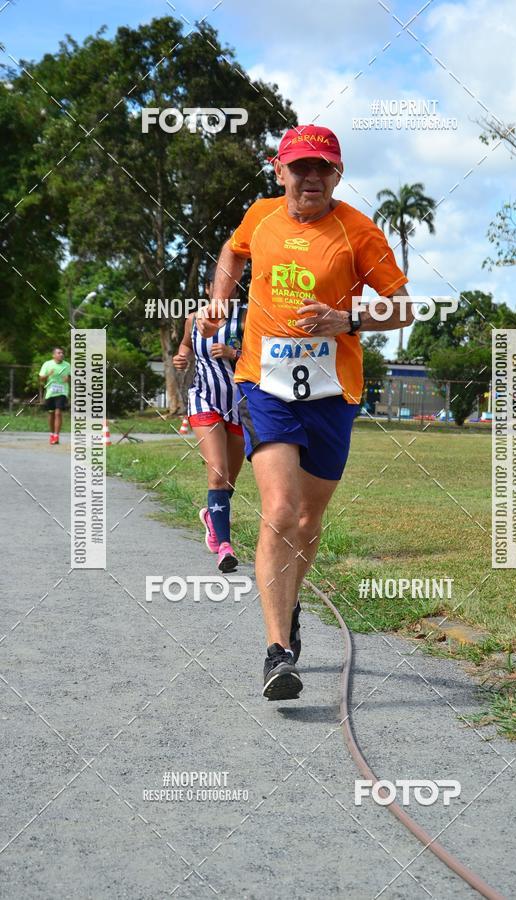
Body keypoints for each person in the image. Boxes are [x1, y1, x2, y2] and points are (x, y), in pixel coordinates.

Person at [197, 125, 414, 700]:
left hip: (331, 391)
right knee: (279, 510)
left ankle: (288, 608)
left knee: (308, 523)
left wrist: (350, 322)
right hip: (264, 384)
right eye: (300, 167)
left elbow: (404, 306)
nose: (310, 177)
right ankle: (277, 652)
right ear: (279, 170)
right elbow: (232, 251)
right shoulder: (261, 216)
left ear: (337, 174)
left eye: (323, 167)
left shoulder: (358, 231)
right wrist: (221, 298)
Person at [173, 266, 246, 572]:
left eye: (230, 285)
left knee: (228, 480)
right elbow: (186, 347)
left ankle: (211, 515)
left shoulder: (247, 318)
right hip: (204, 399)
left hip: (241, 405)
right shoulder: (194, 318)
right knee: (217, 473)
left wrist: (233, 351)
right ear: (207, 289)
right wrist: (181, 357)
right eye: (217, 284)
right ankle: (225, 548)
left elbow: (266, 357)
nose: (224, 290)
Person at [39, 347, 71, 445]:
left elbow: (71, 377)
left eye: (62, 353)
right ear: (53, 355)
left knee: (58, 413)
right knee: (51, 413)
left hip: (62, 392)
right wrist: (49, 374)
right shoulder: (47, 364)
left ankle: (56, 435)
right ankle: (52, 434)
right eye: (59, 353)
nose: (61, 354)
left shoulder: (67, 365)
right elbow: (41, 378)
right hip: (50, 392)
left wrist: (68, 379)